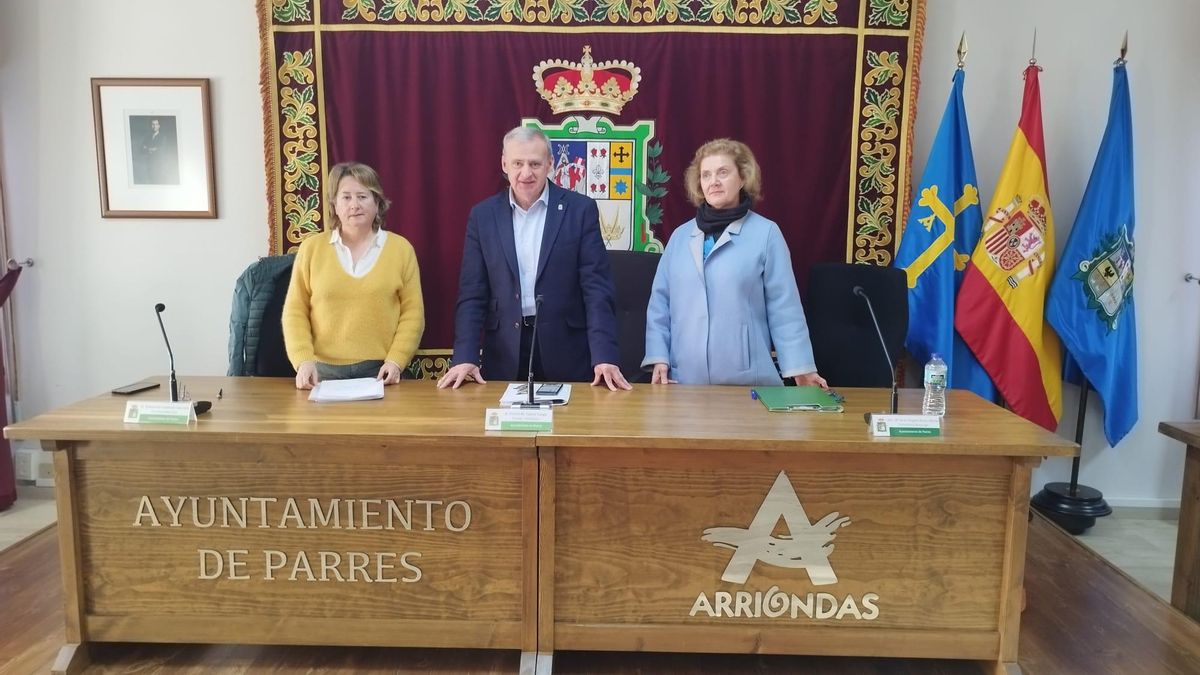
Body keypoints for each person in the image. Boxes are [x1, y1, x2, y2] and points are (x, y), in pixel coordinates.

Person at [436, 126, 630, 391]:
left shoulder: (580, 210)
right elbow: (473, 294)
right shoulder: (483, 217)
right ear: (504, 164)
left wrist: (604, 356)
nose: (525, 173)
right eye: (518, 163)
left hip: (567, 351)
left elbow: (596, 289)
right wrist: (465, 356)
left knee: (568, 428)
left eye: (535, 164)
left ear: (550, 164)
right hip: (505, 352)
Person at [642, 139, 827, 388]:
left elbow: (784, 308)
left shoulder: (766, 234)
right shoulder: (680, 236)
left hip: (748, 382)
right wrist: (659, 357)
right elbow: (659, 305)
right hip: (684, 381)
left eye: (723, 172)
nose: (713, 181)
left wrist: (800, 368)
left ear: (743, 178)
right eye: (706, 175)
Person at [283, 162, 425, 389]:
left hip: (382, 372)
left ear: (377, 203)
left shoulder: (400, 249)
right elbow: (295, 312)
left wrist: (396, 361)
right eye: (346, 197)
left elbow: (413, 313)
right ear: (334, 205)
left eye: (363, 196)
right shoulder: (311, 249)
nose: (354, 205)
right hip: (322, 374)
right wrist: (302, 361)